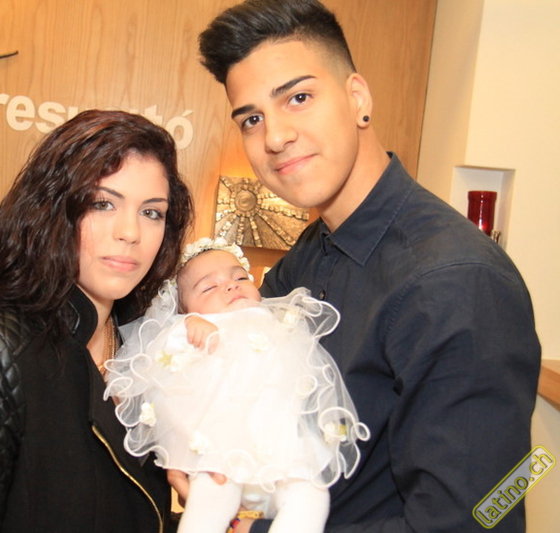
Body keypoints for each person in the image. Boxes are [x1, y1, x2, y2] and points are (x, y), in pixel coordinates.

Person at [184, 1, 542, 532]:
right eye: (252, 119)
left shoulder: (456, 279)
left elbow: (476, 521)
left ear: (357, 98)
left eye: (298, 98)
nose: (275, 137)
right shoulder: (314, 249)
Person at [0, 109, 194, 533]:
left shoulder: (143, 347)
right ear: (52, 211)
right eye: (102, 203)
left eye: (152, 212)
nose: (131, 232)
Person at [105, 237, 369, 533]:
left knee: (312, 495)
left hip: (282, 449)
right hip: (220, 455)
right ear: (183, 308)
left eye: (240, 278)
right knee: (209, 504)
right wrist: (186, 328)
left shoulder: (275, 319)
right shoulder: (193, 327)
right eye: (209, 287)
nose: (231, 286)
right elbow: (162, 368)